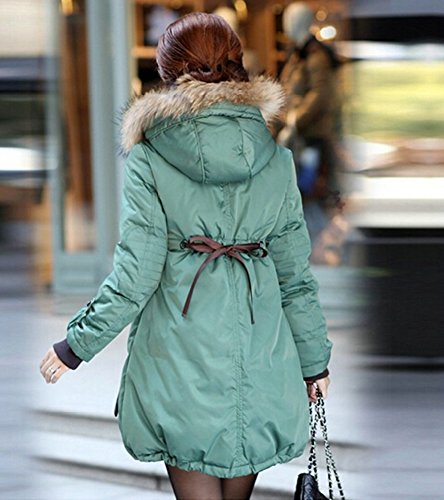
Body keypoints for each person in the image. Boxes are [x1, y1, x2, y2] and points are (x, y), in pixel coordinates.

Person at [39, 12, 332, 500]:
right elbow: (294, 276)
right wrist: (314, 362)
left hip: (178, 359)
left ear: (169, 71)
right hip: (260, 356)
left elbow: (136, 273)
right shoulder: (276, 159)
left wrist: (77, 345)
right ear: (236, 64)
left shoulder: (151, 156)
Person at [277, 2, 343, 247]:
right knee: (298, 188)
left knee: (308, 188)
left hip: (311, 137)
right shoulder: (298, 54)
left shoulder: (316, 57)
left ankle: (317, 242)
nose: (286, 24)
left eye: (291, 19)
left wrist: (295, 120)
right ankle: (307, 242)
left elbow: (320, 96)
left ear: (303, 22)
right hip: (299, 137)